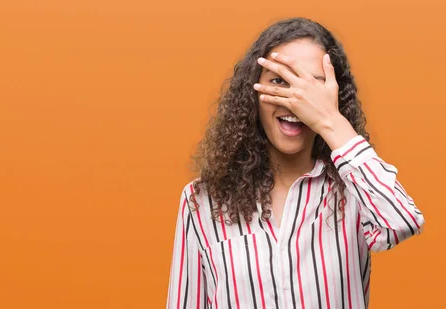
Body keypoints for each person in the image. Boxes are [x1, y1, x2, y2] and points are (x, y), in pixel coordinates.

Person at [165, 17, 425, 309]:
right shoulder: (202, 201)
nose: (295, 100)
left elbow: (401, 223)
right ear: (253, 91)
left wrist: (329, 119)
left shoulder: (353, 192)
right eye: (279, 82)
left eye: (313, 88)